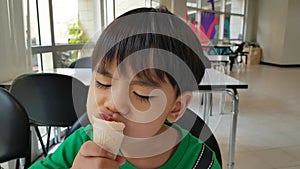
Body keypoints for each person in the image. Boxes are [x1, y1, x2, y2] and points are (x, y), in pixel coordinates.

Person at [29, 7, 221, 169]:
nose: (114, 103)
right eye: (102, 83)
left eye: (141, 94)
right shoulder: (79, 144)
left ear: (176, 107)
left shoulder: (199, 161)